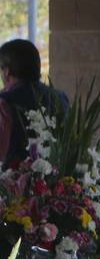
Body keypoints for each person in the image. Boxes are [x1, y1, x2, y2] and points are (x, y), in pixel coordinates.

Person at [0, 38, 69, 166]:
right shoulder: (60, 97)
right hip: (57, 179)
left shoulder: (4, 101)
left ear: (7, 71)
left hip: (13, 180)